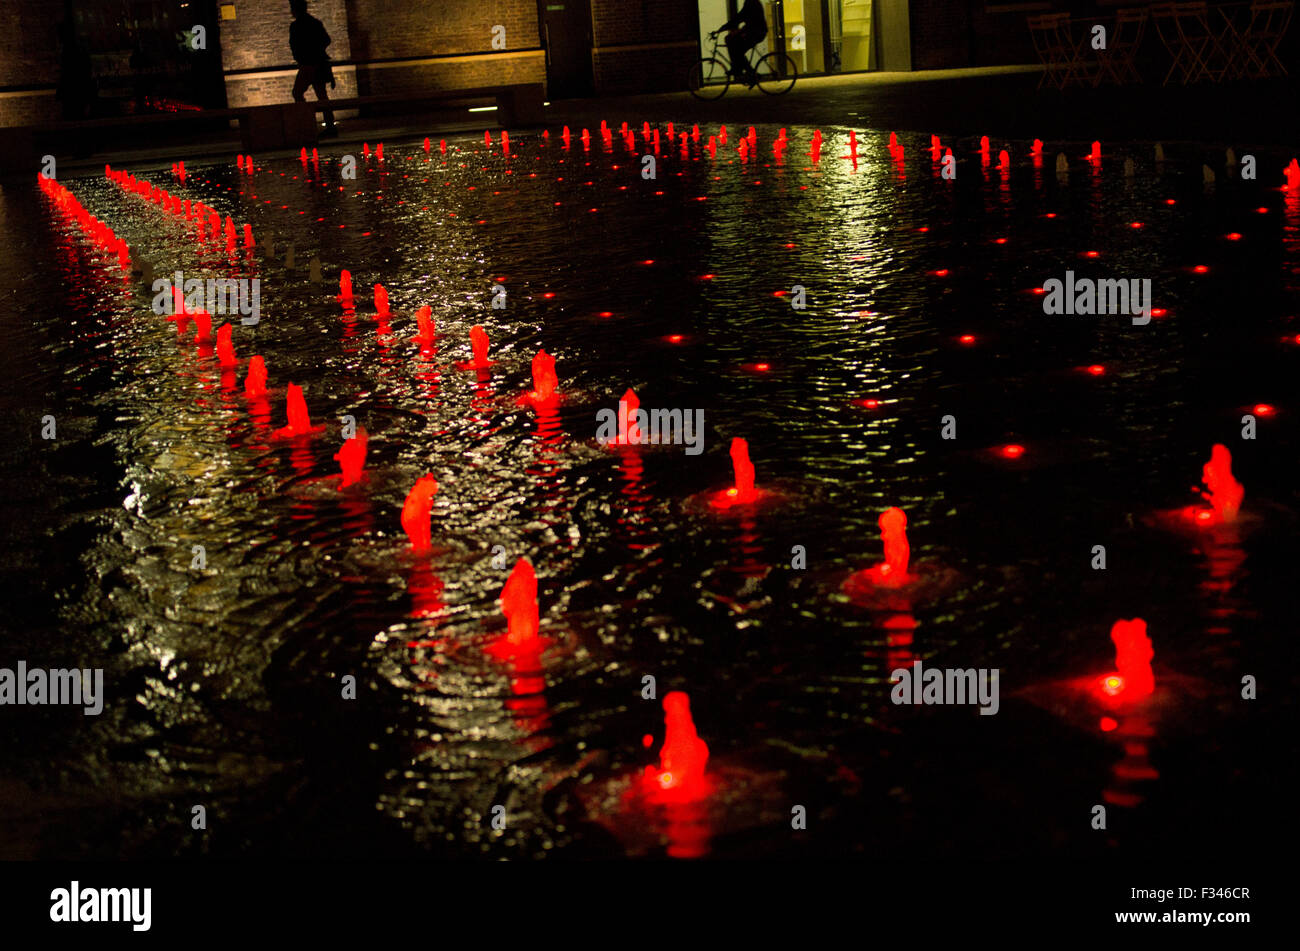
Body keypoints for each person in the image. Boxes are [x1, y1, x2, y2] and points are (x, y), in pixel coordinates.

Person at [289, 0, 338, 137]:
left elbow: (295, 46)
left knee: (297, 92)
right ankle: (330, 126)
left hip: (307, 64)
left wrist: (302, 56)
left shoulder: (296, 26)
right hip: (318, 62)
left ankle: (306, 124)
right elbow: (326, 40)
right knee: (322, 95)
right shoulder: (315, 23)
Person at [713, 0, 768, 86]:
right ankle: (742, 69)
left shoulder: (751, 3)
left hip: (756, 33)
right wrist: (723, 29)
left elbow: (742, 18)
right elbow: (739, 18)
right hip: (753, 31)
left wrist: (738, 31)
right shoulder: (750, 2)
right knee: (731, 41)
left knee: (736, 47)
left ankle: (743, 70)